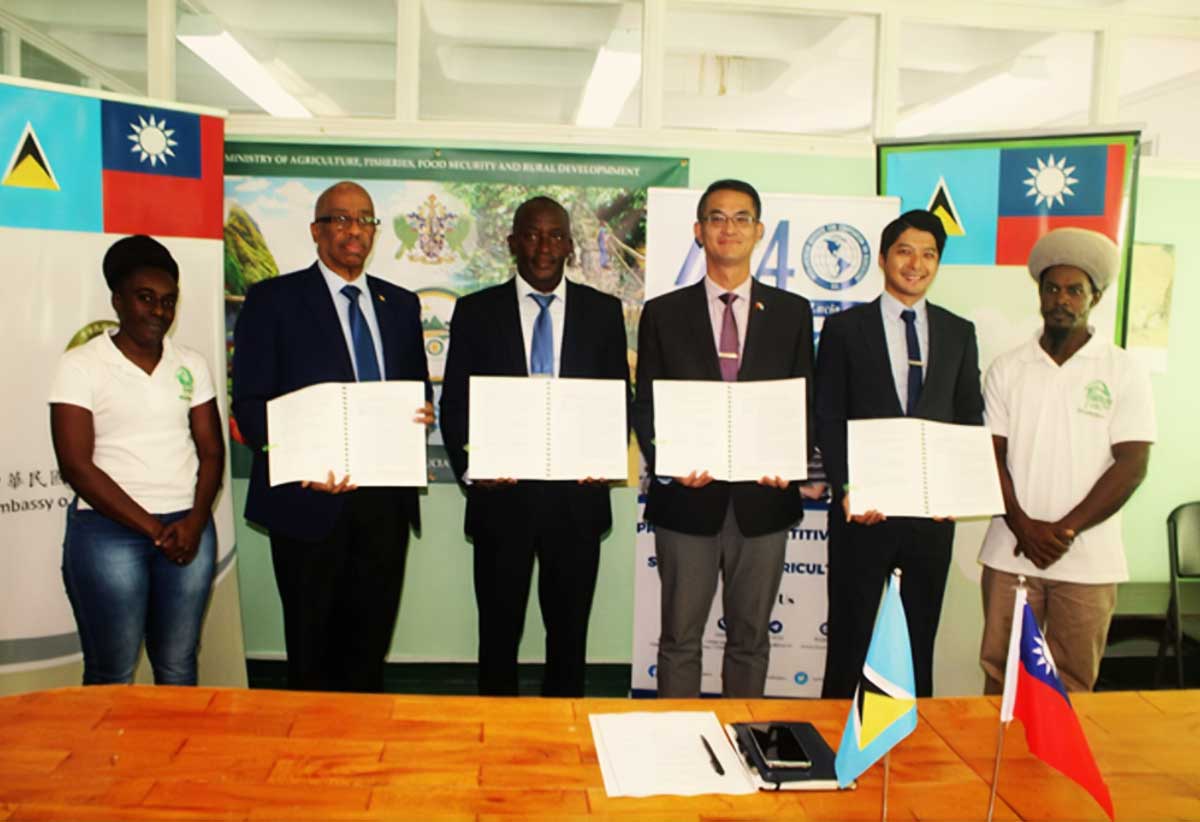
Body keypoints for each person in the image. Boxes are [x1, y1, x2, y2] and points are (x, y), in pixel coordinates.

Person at [232, 181, 432, 693]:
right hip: (307, 505)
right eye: (340, 219)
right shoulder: (272, 299)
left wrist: (421, 415)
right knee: (311, 650)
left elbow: (415, 390)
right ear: (316, 231)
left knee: (369, 647)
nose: (354, 230)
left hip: (384, 505)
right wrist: (297, 465)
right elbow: (250, 404)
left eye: (365, 219)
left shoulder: (400, 305)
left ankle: (365, 759)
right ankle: (308, 761)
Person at [631, 179, 814, 698]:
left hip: (763, 500)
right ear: (698, 231)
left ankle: (744, 742)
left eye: (740, 218)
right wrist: (668, 459)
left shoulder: (791, 312)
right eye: (716, 218)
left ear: (758, 231)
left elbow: (805, 401)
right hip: (687, 498)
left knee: (751, 640)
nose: (728, 228)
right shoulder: (664, 313)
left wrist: (792, 461)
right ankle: (677, 746)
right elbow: (646, 403)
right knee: (679, 640)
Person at [439, 196, 629, 697]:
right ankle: (493, 734)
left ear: (569, 245)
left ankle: (563, 734)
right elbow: (455, 405)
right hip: (502, 502)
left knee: (569, 638)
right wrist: (474, 468)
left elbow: (618, 403)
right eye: (531, 234)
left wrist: (605, 460)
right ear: (511, 243)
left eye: (555, 235)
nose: (543, 246)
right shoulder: (476, 312)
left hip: (577, 504)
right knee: (497, 637)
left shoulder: (604, 313)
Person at [816, 209, 983, 699]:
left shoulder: (958, 332)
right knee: (851, 636)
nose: (916, 263)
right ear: (885, 258)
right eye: (905, 251)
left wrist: (957, 489)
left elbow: (969, 417)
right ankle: (839, 742)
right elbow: (828, 415)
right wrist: (847, 488)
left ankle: (912, 742)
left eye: (929, 254)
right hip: (862, 512)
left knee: (916, 638)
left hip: (930, 519)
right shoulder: (846, 329)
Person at [978, 227, 1153, 693]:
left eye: (1075, 290)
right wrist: (1024, 527)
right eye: (1052, 288)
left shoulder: (1123, 369)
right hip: (1010, 551)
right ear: (1039, 293)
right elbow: (989, 457)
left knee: (1072, 683)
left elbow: (1132, 464)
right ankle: (999, 768)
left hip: (1090, 562)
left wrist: (1065, 530)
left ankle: (1056, 771)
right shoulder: (1007, 369)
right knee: (1003, 678)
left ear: (1094, 297)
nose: (1062, 299)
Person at [49, 235, 224, 685]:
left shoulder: (192, 363)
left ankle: (175, 757)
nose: (159, 312)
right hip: (109, 534)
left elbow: (211, 450)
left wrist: (195, 522)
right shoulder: (81, 365)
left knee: (178, 663)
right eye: (146, 299)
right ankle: (110, 758)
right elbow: (76, 465)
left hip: (189, 529)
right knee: (113, 670)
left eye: (168, 302)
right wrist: (153, 530)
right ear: (117, 300)